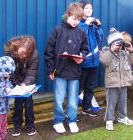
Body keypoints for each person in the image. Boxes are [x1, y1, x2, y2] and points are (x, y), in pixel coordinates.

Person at [44, 2, 88, 134]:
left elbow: (85, 49)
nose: (76, 22)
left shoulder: (81, 32)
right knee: (59, 98)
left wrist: (81, 56)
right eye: (74, 18)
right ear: (67, 15)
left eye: (79, 20)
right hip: (60, 72)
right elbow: (49, 52)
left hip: (75, 72)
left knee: (73, 99)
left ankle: (72, 120)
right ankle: (58, 121)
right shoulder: (57, 30)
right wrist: (50, 70)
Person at [99, 28, 133, 131]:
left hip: (124, 81)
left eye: (121, 44)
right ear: (111, 44)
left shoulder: (124, 53)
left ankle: (122, 117)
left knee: (122, 101)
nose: (120, 46)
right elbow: (104, 61)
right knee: (111, 102)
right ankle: (109, 119)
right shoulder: (106, 51)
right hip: (112, 83)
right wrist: (112, 51)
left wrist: (132, 50)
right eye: (117, 44)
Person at [4, 35, 39, 136]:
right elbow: (9, 71)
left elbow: (32, 73)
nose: (21, 56)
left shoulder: (34, 55)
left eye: (23, 54)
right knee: (18, 103)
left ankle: (30, 125)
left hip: (27, 82)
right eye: (19, 53)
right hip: (16, 79)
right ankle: (17, 125)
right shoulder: (10, 52)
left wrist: (25, 83)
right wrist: (16, 84)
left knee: (28, 102)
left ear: (29, 51)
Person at [78, 0, 104, 117]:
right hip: (82, 62)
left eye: (90, 8)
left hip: (94, 61)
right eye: (86, 8)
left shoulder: (92, 23)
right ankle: (72, 112)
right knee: (78, 89)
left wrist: (98, 27)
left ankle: (86, 108)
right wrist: (86, 24)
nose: (89, 10)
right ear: (81, 9)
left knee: (90, 87)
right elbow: (79, 38)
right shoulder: (77, 23)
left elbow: (100, 39)